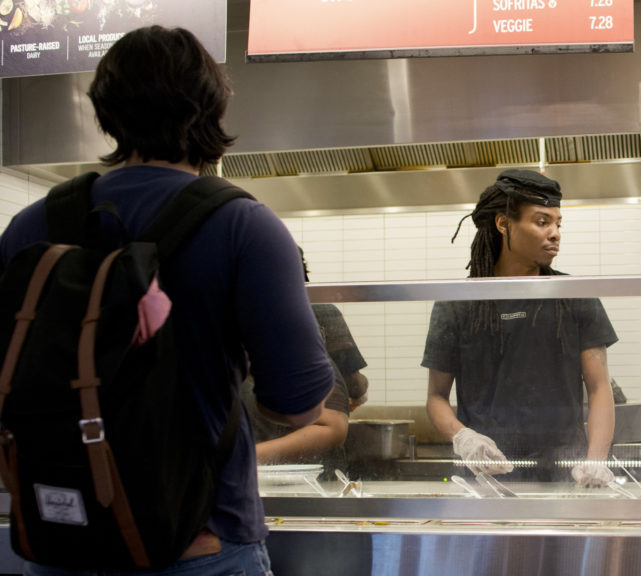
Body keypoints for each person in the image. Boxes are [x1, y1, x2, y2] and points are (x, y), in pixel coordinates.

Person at [0, 26, 335, 575]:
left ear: (105, 112)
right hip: (199, 545)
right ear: (213, 109)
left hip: (61, 534)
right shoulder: (243, 226)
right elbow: (297, 405)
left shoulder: (32, 225)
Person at [422, 169, 618, 485]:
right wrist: (464, 438)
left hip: (564, 472)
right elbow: (436, 398)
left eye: (558, 223)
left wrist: (594, 461)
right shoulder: (459, 302)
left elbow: (598, 388)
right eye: (542, 222)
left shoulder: (573, 296)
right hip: (486, 477)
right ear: (503, 224)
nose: (554, 233)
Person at [247, 252, 370, 471]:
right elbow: (356, 387)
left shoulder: (300, 332)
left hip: (307, 478)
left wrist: (244, 459)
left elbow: (333, 426)